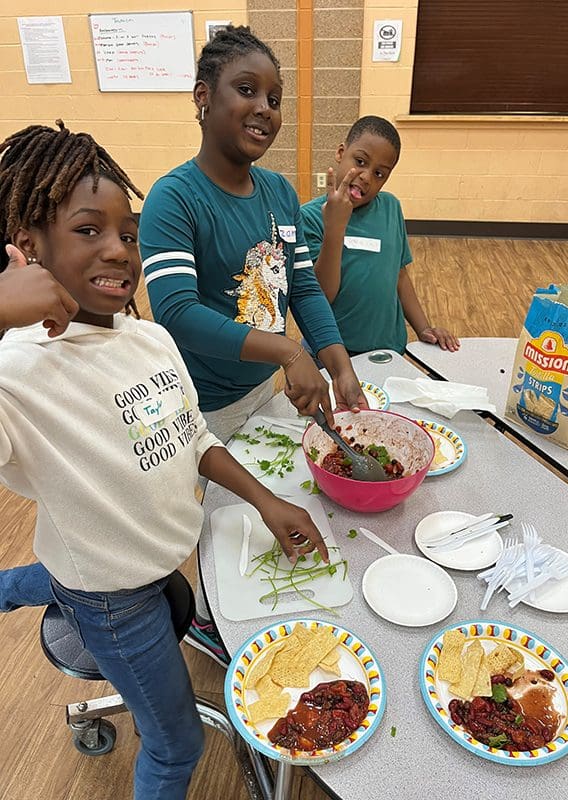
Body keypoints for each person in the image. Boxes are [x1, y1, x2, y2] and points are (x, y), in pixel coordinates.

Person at [0, 121, 329, 800]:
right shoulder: (18, 371)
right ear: (29, 246)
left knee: (58, 571)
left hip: (142, 550)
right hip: (116, 598)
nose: (119, 250)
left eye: (128, 231)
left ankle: (17, 584)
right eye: (89, 230)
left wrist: (265, 500)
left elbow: (194, 438)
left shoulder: (146, 337)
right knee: (177, 746)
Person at [138, 26, 367, 661]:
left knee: (267, 508)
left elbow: (301, 288)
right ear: (202, 98)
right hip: (194, 408)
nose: (265, 108)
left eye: (275, 97)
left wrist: (335, 360)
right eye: (247, 90)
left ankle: (237, 609)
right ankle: (211, 624)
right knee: (218, 524)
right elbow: (178, 312)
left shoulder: (278, 195)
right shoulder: (173, 198)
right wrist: (290, 353)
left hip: (258, 391)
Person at [301, 115, 460, 357]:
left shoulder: (390, 208)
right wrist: (334, 228)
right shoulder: (310, 217)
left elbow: (400, 276)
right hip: (331, 354)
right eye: (361, 161)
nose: (366, 176)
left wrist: (424, 328)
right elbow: (321, 296)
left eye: (379, 174)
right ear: (341, 152)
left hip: (388, 351)